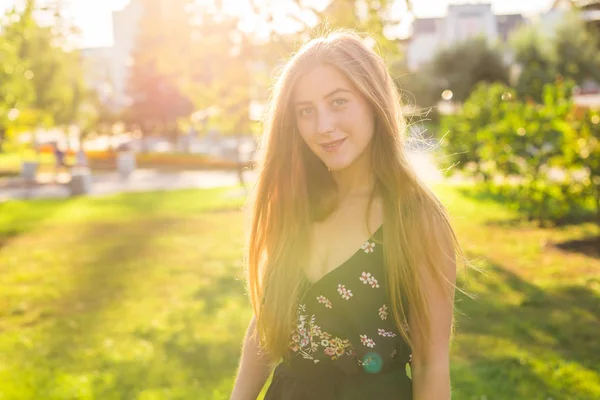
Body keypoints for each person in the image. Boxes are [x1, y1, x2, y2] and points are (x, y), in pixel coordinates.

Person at [230, 30, 468, 400]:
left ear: (373, 101)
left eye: (338, 102)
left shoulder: (416, 219)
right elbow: (265, 322)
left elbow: (430, 364)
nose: (323, 126)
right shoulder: (298, 205)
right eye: (306, 111)